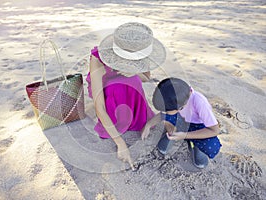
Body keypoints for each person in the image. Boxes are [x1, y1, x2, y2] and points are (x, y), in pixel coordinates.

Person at [86, 22, 166, 169]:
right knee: (116, 87)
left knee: (133, 80)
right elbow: (100, 107)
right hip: (106, 88)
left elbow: (146, 78)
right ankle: (119, 119)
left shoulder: (139, 50)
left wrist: (135, 70)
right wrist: (120, 143)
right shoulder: (98, 59)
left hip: (129, 86)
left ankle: (134, 117)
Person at [141, 77, 222, 169]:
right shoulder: (176, 97)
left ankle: (195, 148)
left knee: (205, 155)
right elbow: (164, 114)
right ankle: (175, 135)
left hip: (199, 127)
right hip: (182, 120)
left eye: (167, 111)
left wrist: (185, 135)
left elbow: (215, 130)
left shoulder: (200, 102)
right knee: (163, 148)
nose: (165, 113)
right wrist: (148, 125)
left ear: (180, 107)